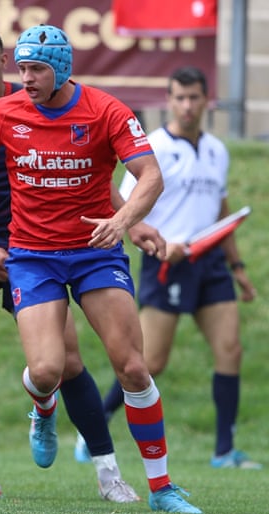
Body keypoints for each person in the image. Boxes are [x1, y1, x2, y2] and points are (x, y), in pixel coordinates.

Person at [0, 24, 203, 514]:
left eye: (37, 69)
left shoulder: (106, 111)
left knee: (132, 366)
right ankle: (42, 406)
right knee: (46, 371)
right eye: (22, 68)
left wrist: (123, 221)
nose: (26, 78)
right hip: (33, 257)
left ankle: (162, 487)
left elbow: (150, 176)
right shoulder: (6, 112)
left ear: (62, 69)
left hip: (95, 251)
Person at [99, 66, 261, 470]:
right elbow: (123, 206)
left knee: (230, 351)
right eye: (180, 98)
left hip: (211, 263)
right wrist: (158, 243)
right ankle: (96, 428)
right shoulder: (152, 146)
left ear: (206, 101)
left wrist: (237, 266)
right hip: (165, 262)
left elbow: (220, 209)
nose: (187, 106)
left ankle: (224, 451)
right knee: (149, 362)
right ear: (170, 101)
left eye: (194, 98)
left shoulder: (217, 150)